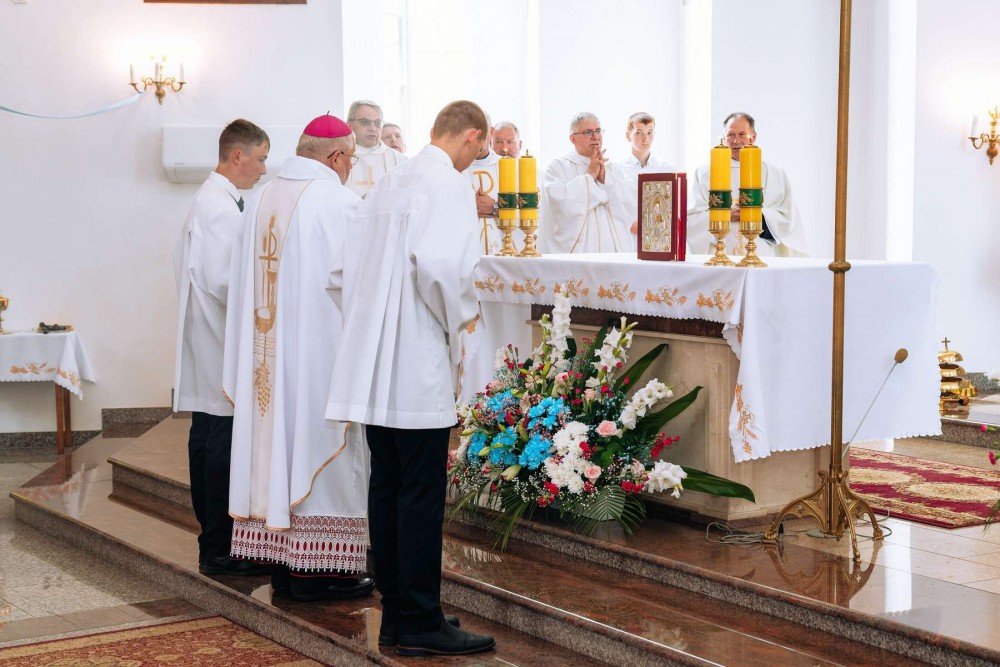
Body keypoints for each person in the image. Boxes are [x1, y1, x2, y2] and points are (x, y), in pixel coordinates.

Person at [326, 100, 496, 657]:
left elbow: (340, 273)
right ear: (471, 136)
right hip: (417, 361)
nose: (477, 160)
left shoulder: (388, 183)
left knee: (387, 486)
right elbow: (443, 270)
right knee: (421, 494)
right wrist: (460, 323)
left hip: (376, 366)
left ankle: (398, 613)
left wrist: (370, 328)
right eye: (481, 149)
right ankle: (421, 620)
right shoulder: (446, 186)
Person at [222, 114, 373, 602]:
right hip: (317, 361)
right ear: (336, 156)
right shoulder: (340, 204)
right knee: (321, 449)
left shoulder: (261, 198)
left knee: (276, 449)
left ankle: (286, 568)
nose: (350, 168)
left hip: (265, 357)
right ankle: (321, 572)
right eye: (351, 159)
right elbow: (358, 287)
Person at [173, 119, 270, 578]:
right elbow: (224, 280)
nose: (263, 169)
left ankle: (216, 543)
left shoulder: (214, 199)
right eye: (260, 159)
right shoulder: (218, 207)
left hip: (211, 337)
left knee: (209, 435)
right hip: (220, 340)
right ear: (237, 156)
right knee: (218, 442)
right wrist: (268, 302)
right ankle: (219, 548)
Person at [687, 112, 809, 257]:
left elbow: (787, 218)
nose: (736, 140)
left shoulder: (774, 174)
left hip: (760, 256)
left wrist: (755, 214)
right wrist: (724, 215)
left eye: (742, 134)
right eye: (730, 135)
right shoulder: (704, 174)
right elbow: (692, 220)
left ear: (753, 137)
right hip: (719, 256)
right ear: (724, 138)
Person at [540, 112, 632, 253]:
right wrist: (589, 177)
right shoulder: (558, 167)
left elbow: (628, 206)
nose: (596, 137)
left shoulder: (612, 169)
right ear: (573, 138)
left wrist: (605, 179)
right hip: (579, 253)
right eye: (588, 132)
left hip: (611, 252)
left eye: (598, 131)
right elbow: (560, 204)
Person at [613, 112, 678, 237]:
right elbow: (615, 207)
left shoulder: (668, 169)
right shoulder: (617, 169)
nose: (645, 139)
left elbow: (673, 207)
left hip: (660, 236)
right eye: (639, 133)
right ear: (628, 136)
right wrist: (632, 226)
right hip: (627, 236)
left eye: (649, 133)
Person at [346, 100, 407, 198]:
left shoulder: (401, 161)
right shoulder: (340, 158)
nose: (373, 128)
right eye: (365, 122)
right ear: (349, 125)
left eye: (378, 123)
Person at [461, 114, 501, 255]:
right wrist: (469, 208)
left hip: (503, 255)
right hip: (464, 253)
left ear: (491, 131)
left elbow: (528, 214)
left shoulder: (511, 168)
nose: (476, 138)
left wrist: (495, 208)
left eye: (481, 132)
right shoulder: (454, 168)